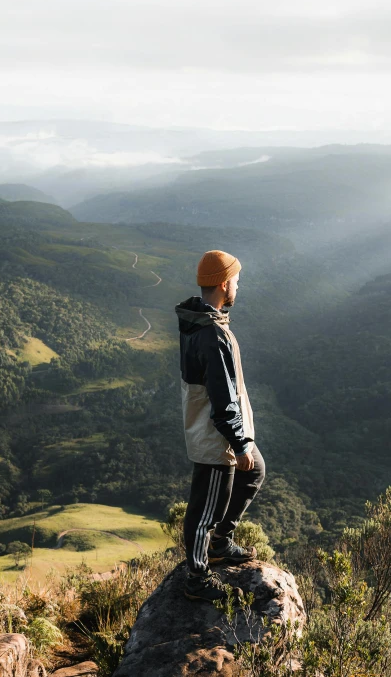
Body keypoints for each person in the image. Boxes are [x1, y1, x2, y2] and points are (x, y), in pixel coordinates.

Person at [175, 249, 265, 602]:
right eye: (237, 282)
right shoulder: (212, 334)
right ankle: (197, 577)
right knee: (204, 510)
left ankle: (220, 543)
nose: (239, 288)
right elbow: (222, 396)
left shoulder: (202, 320)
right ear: (224, 283)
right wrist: (238, 443)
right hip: (216, 437)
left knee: (254, 472)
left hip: (223, 430)